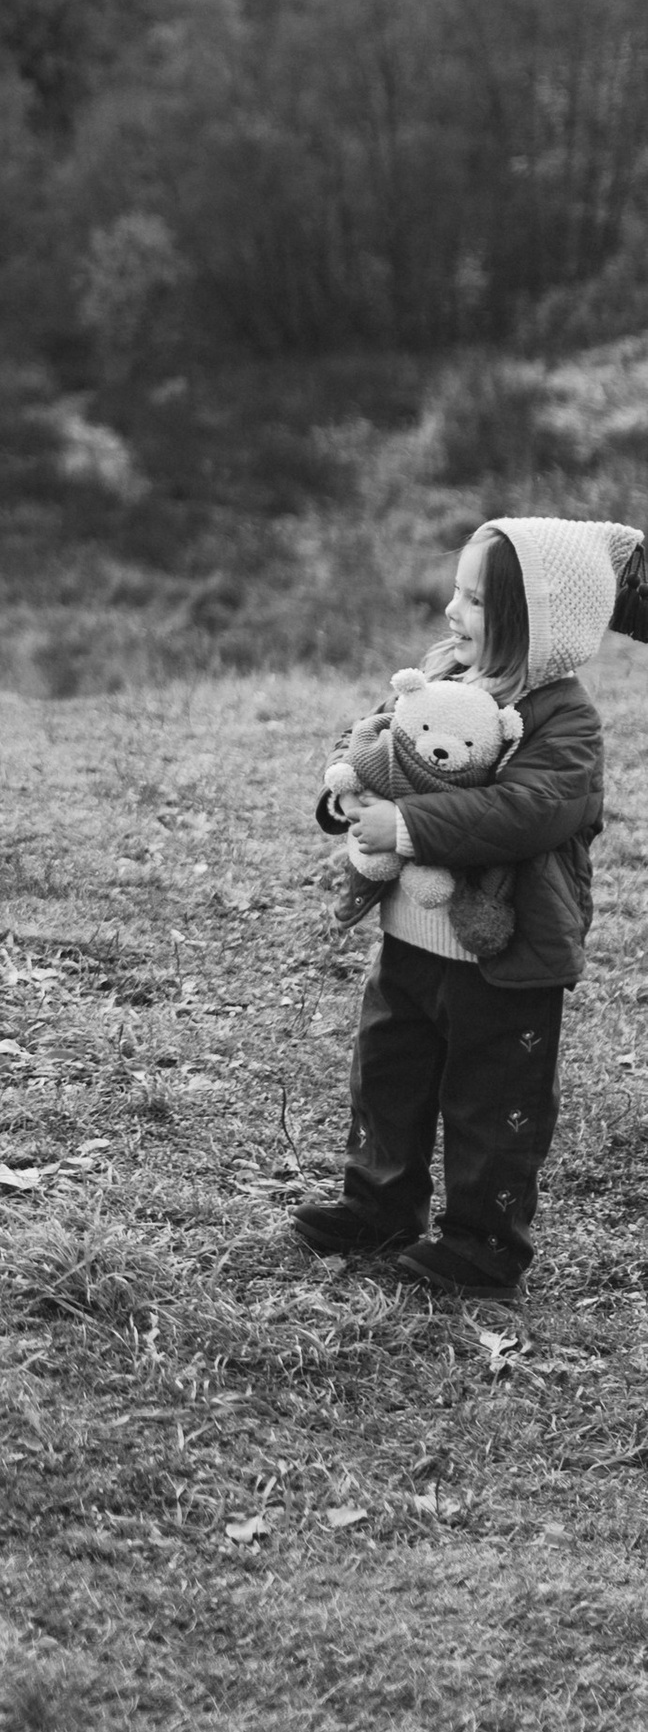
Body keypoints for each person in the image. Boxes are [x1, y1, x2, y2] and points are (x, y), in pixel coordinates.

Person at [294, 513, 639, 1294]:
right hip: (411, 940)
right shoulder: (446, 675)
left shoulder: (564, 718)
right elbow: (384, 748)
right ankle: (379, 1203)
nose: (454, 612)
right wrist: (349, 796)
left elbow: (530, 811)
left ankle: (484, 1242)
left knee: (494, 1104)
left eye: (477, 602)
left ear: (540, 626)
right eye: (458, 592)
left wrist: (409, 826)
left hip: (505, 959)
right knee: (389, 1075)